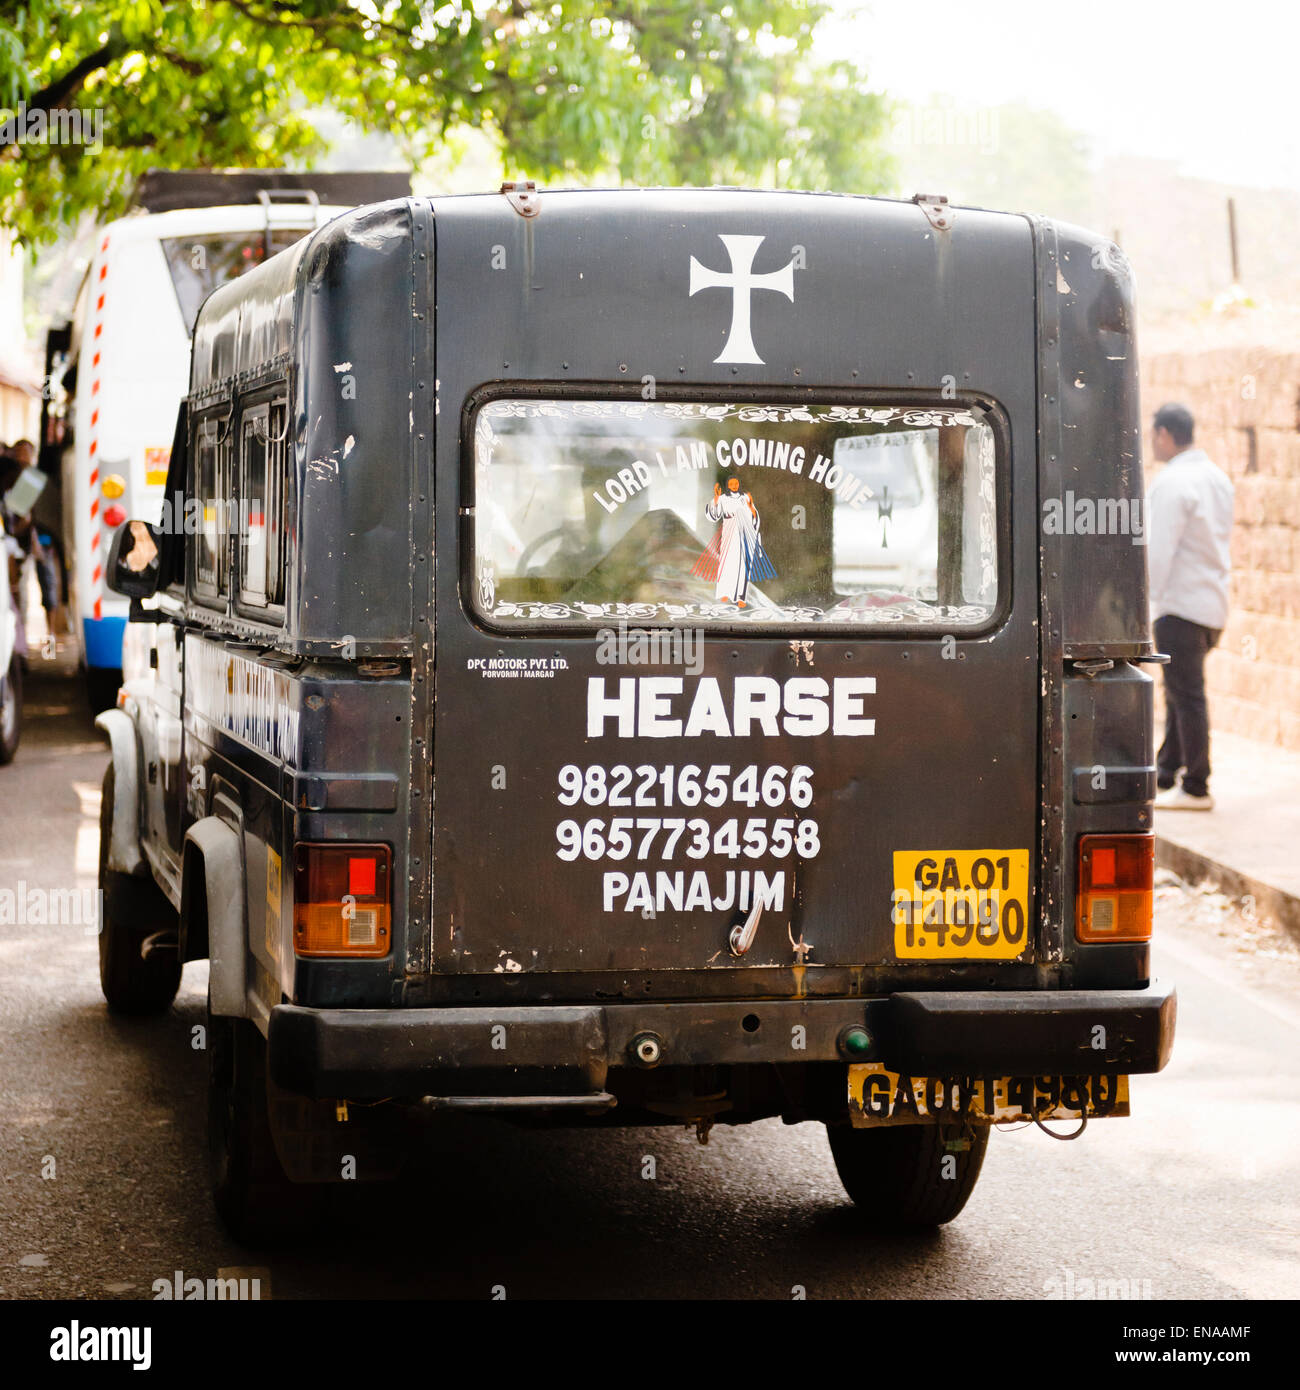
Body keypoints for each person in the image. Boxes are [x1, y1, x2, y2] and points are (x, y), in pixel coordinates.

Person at [1146, 403, 1234, 810]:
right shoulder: (1217, 478)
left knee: (1187, 694)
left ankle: (1197, 786)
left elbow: (1158, 551)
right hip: (1211, 605)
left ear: (1164, 434)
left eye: (1153, 435)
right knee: (1179, 692)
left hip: (1179, 605)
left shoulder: (1172, 482)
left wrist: (1146, 599)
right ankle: (1167, 770)